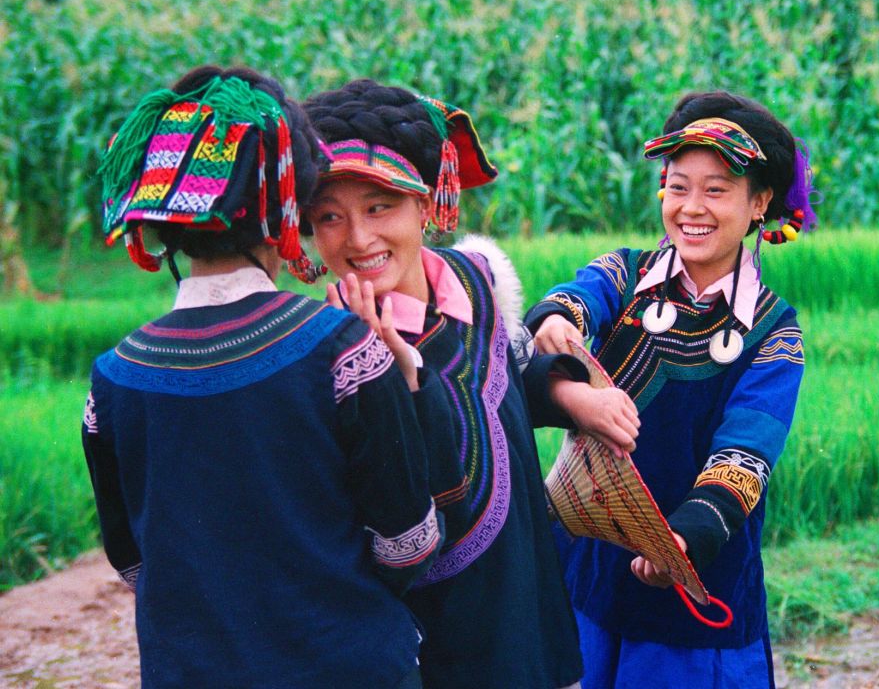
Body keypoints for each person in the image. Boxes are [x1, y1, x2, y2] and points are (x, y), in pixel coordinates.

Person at [82, 65, 443, 688]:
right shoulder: (342, 349)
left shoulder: (113, 380)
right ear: (285, 207)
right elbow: (407, 543)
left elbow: (134, 561)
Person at [302, 79, 641, 689]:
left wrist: (569, 395)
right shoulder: (332, 355)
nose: (358, 239)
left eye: (380, 208)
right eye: (330, 217)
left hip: (526, 589)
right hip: (438, 634)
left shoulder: (477, 281)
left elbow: (500, 383)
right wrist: (392, 380)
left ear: (427, 206)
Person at [525, 91, 817, 689]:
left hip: (695, 577)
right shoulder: (623, 275)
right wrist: (556, 321)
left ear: (759, 202)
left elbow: (745, 454)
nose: (692, 207)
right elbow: (575, 299)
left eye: (716, 189)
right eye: (678, 186)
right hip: (590, 565)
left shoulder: (773, 330)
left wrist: (685, 537)